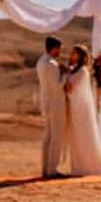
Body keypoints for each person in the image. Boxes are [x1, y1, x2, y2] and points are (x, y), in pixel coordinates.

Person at [63, 45, 101, 176]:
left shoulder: (82, 71)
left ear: (80, 56)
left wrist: (63, 76)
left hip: (81, 110)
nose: (71, 55)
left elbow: (69, 87)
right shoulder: (75, 70)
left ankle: (90, 166)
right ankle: (79, 165)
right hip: (75, 109)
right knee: (76, 138)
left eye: (74, 53)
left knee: (84, 137)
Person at [37, 36, 68, 178]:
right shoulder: (51, 64)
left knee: (48, 137)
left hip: (46, 102)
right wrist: (65, 74)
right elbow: (58, 86)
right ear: (54, 48)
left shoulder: (41, 61)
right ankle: (52, 169)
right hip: (56, 103)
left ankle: (45, 168)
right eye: (59, 49)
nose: (60, 51)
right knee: (56, 136)